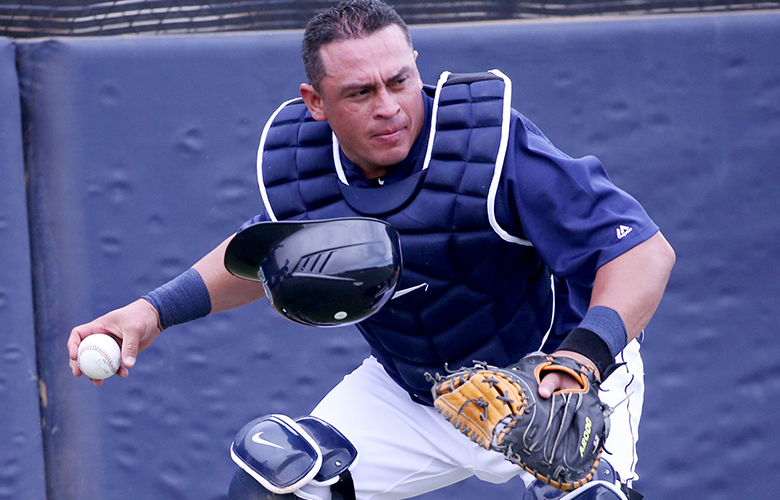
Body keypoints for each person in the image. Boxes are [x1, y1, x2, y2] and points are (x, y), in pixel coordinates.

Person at [67, 1, 675, 499]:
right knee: (278, 485)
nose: (388, 107)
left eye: (400, 80)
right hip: (416, 390)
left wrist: (580, 361)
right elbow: (270, 257)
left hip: (553, 383)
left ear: (416, 65)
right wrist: (150, 312)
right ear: (315, 102)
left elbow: (643, 254)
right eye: (359, 92)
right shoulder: (305, 170)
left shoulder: (490, 148)